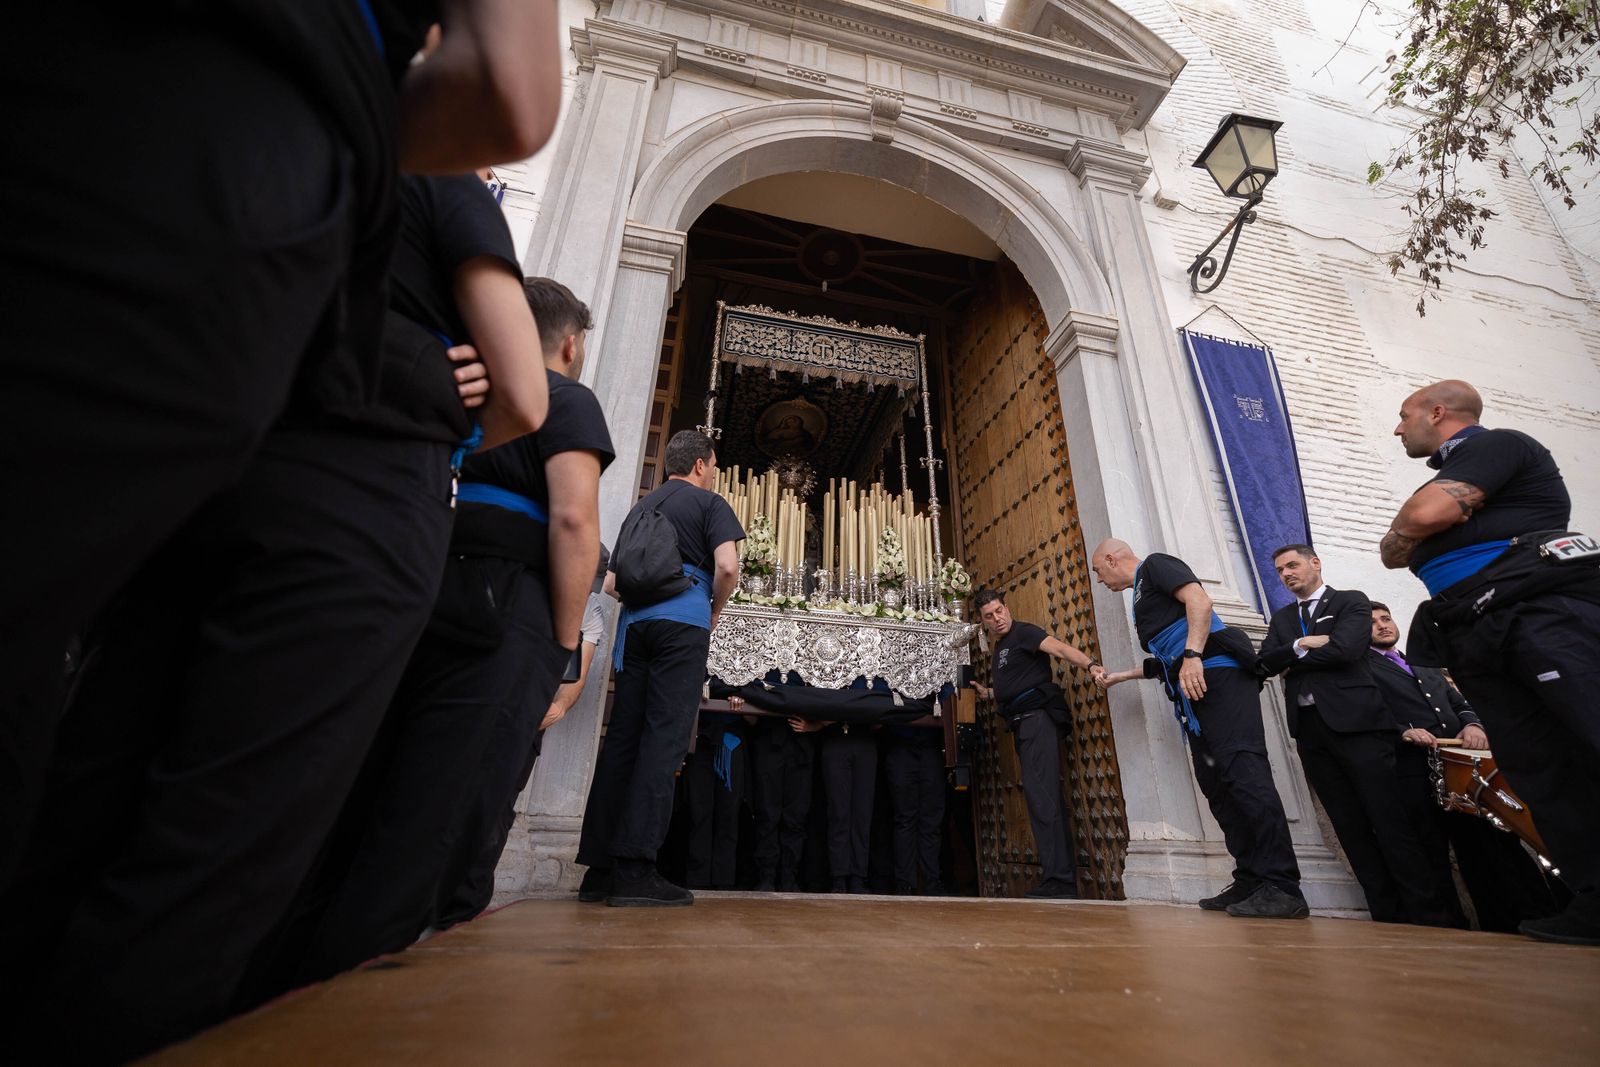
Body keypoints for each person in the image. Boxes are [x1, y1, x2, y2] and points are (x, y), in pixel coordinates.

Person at [0, 0, 561, 898]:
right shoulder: (437, 187)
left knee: (92, 746)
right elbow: (516, 97)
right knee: (222, 834)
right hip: (325, 426)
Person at [263, 277, 610, 991]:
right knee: (440, 806)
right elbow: (573, 521)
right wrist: (565, 643)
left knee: (364, 786)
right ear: (570, 343)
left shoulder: (462, 392)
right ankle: (359, 995)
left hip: (414, 586)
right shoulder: (566, 398)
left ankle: (281, 979)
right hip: (504, 604)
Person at [1381, 379, 1600, 944]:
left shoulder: (1498, 444)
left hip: (1538, 614)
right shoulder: (1457, 471)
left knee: (1587, 732)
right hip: (1475, 631)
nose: (1398, 427)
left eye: (1405, 416)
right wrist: (1422, 521)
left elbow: (1420, 519)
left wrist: (1427, 520)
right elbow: (1391, 550)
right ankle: (1595, 896)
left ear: (1438, 412)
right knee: (1538, 765)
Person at [1090, 541, 1308, 919]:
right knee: (1218, 785)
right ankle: (1252, 879)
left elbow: (1200, 603)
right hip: (1194, 689)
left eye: (1097, 570)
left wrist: (1192, 656)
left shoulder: (1156, 565)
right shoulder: (1141, 593)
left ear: (1111, 559)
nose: (1098, 578)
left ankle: (1282, 885)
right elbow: (1166, 658)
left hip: (1218, 677)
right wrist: (1121, 676)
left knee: (1245, 774)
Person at [575, 432, 743, 907]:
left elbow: (610, 583)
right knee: (662, 742)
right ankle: (636, 869)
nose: (711, 472)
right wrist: (712, 607)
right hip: (681, 628)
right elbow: (727, 567)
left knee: (623, 741)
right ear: (700, 466)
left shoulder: (639, 510)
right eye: (711, 465)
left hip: (635, 632)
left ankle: (599, 872)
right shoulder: (710, 505)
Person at [1257, 546, 1447, 926]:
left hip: (1360, 726)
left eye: (1292, 565)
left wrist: (1292, 658)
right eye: (1279, 570)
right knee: (1350, 826)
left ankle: (1428, 916)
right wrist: (1301, 644)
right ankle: (1386, 913)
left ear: (1315, 563)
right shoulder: (1282, 619)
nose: (1286, 574)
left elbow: (1346, 651)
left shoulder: (1350, 602)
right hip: (1310, 732)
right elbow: (1263, 662)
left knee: (1389, 821)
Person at [437, 550, 614, 928]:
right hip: (489, 695)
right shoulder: (525, 582)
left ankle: (463, 902)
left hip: (531, 707)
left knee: (499, 802)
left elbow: (578, 671)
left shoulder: (591, 610)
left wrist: (558, 707)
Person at [1368, 602, 1560, 932]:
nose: (1382, 625)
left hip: (1464, 771)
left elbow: (1460, 702)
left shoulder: (1422, 662)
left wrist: (1473, 725)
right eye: (1372, 622)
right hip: (1416, 771)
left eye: (1386, 618)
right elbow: (1369, 710)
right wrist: (1403, 730)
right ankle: (1448, 926)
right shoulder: (1363, 667)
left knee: (1488, 846)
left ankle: (1517, 918)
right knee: (1432, 852)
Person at [969, 589, 1096, 899]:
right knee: (1042, 799)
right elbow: (1016, 684)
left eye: (999, 611)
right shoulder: (1001, 647)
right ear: (983, 621)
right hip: (1023, 722)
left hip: (1037, 719)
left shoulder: (1024, 632)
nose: (997, 618)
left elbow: (1061, 650)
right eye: (989, 616)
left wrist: (1091, 666)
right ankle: (1057, 876)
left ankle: (1061, 881)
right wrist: (989, 694)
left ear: (1006, 608)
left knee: (1044, 800)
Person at [748, 710, 817, 893]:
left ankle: (789, 878)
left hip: (801, 747)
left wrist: (813, 726)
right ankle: (766, 876)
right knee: (767, 814)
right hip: (768, 742)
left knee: (795, 817)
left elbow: (830, 703)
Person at [883, 720, 946, 895]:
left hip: (930, 749)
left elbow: (949, 697)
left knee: (931, 821)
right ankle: (904, 884)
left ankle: (932, 882)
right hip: (900, 748)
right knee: (904, 820)